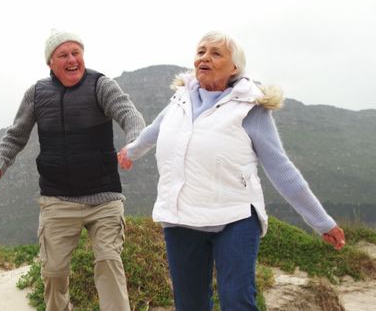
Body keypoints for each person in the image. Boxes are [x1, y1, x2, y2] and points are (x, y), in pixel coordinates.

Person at [117, 30, 346, 311]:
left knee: (237, 299)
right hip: (182, 215)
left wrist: (321, 221)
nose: (205, 58)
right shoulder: (180, 100)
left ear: (235, 67)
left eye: (216, 53)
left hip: (235, 216)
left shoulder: (250, 108)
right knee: (190, 305)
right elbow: (154, 130)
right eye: (201, 52)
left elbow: (281, 169)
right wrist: (132, 151)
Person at [0, 29, 145, 311]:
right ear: (50, 63)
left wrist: (134, 142)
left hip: (104, 197)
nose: (72, 60)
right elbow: (15, 135)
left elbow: (128, 113)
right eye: (63, 55)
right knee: (54, 272)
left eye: (76, 53)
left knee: (109, 260)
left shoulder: (101, 85)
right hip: (58, 199)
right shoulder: (37, 94)